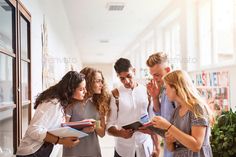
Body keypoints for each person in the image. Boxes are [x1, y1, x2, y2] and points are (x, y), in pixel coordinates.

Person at [16, 71, 87, 157]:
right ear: (71, 89)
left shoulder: (61, 103)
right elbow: (34, 130)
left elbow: (55, 126)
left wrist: (83, 125)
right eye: (81, 89)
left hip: (41, 151)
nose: (85, 91)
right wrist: (62, 141)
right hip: (31, 153)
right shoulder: (53, 103)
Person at [151, 70, 213, 157]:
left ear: (175, 88)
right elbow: (172, 148)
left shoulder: (197, 108)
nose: (165, 92)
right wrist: (169, 141)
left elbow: (196, 145)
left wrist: (168, 126)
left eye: (166, 88)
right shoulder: (176, 111)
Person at [107, 58, 157, 157]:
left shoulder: (146, 91)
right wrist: (120, 133)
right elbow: (109, 126)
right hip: (123, 149)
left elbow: (153, 119)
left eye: (129, 76)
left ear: (134, 71)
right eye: (122, 78)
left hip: (145, 147)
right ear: (118, 76)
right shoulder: (115, 94)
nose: (126, 81)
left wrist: (157, 146)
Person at [63, 67, 110, 157]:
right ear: (88, 82)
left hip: (92, 151)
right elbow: (63, 131)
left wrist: (95, 124)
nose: (101, 85)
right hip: (73, 151)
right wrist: (82, 129)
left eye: (102, 81)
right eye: (98, 81)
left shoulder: (100, 104)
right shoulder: (71, 103)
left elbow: (102, 133)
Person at [146, 52, 176, 157]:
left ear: (167, 70)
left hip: (178, 147)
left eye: (157, 75)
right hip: (168, 145)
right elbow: (160, 114)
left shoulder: (177, 90)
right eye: (152, 75)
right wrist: (154, 97)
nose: (154, 79)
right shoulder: (164, 88)